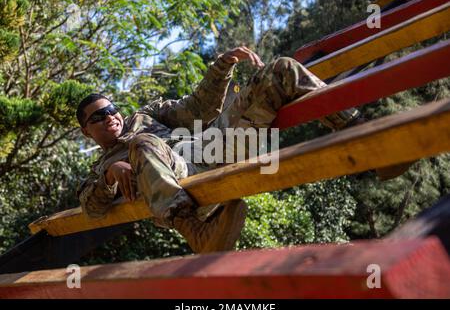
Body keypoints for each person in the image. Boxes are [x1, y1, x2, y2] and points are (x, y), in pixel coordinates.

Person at [76, 46, 376, 254]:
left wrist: (223, 65)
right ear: (86, 131)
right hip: (183, 185)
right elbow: (91, 207)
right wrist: (111, 175)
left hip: (212, 147)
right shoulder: (102, 167)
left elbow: (199, 108)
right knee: (142, 145)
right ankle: (195, 231)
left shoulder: (146, 115)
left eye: (111, 109)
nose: (109, 117)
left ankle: (360, 131)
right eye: (97, 117)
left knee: (280, 69)